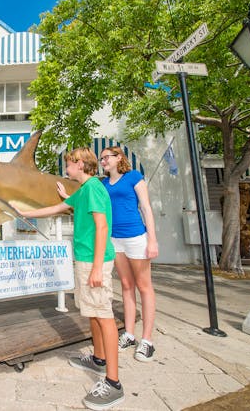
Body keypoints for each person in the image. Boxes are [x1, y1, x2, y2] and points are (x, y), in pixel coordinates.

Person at [15, 147, 123, 410]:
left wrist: (97, 267)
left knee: (103, 315)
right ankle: (98, 359)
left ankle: (113, 382)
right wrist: (27, 213)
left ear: (80, 164)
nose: (66, 167)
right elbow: (59, 206)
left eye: (69, 163)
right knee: (92, 313)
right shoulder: (83, 190)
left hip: (94, 261)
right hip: (85, 259)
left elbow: (102, 226)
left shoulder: (95, 187)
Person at [99, 146, 158, 362]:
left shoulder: (133, 176)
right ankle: (130, 334)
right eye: (101, 158)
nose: (103, 160)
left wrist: (152, 239)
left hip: (135, 237)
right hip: (115, 239)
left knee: (144, 286)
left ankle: (147, 340)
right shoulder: (103, 184)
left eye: (107, 157)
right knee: (125, 285)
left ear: (119, 158)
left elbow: (146, 208)